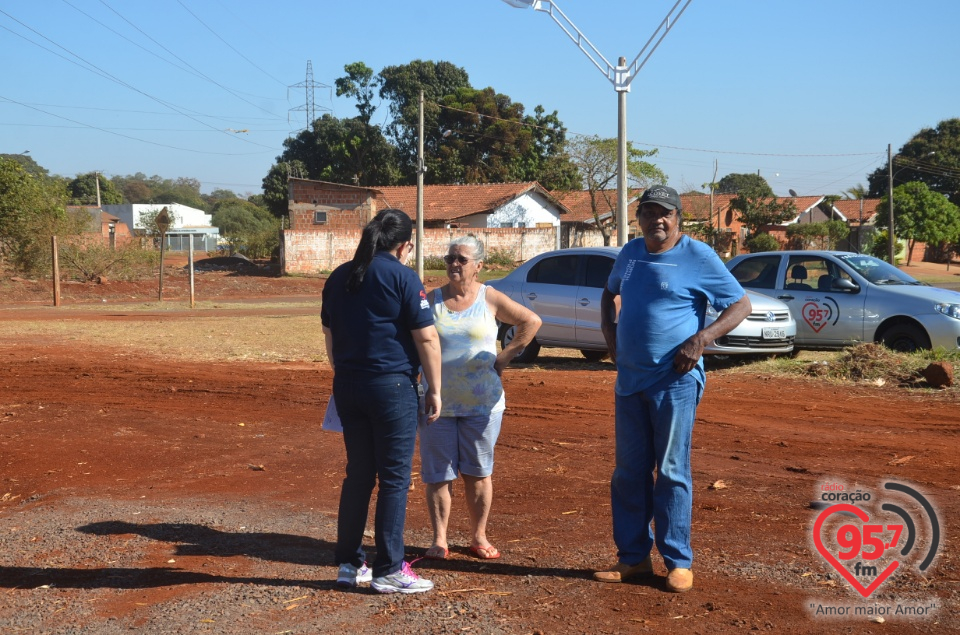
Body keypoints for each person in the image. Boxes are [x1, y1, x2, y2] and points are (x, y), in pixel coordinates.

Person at [594, 185, 751, 593]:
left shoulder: (698, 256)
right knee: (628, 473)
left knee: (670, 471)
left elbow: (740, 305)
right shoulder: (630, 253)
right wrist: (609, 335)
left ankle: (678, 561)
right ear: (639, 218)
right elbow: (609, 293)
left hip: (675, 381)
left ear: (678, 217)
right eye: (648, 212)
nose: (656, 220)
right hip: (629, 381)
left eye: (664, 213)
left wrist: (701, 340)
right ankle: (633, 560)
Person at [320, 209, 442, 594]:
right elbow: (426, 338)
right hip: (391, 387)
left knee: (358, 474)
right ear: (406, 244)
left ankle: (349, 564)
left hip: (348, 385)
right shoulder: (404, 276)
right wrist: (435, 389)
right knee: (393, 477)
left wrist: (346, 373)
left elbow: (330, 336)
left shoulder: (340, 275)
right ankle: (389, 567)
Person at [418, 235, 541, 561]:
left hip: (483, 404)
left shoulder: (490, 297)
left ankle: (478, 536)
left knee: (478, 472)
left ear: (478, 266)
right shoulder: (430, 301)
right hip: (436, 403)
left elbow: (531, 321)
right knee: (438, 474)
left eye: (461, 259)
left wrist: (505, 357)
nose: (453, 264)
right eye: (449, 258)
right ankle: (439, 540)